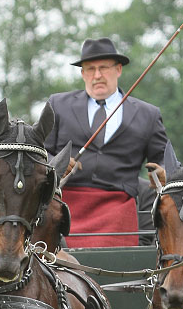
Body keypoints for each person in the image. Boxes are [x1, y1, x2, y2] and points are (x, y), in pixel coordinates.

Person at [44, 37, 169, 247]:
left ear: (118, 69)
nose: (97, 75)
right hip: (64, 206)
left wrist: (165, 173)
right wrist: (56, 163)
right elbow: (39, 152)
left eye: (104, 68)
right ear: (83, 74)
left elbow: (165, 161)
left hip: (119, 209)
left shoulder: (148, 114)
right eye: (90, 69)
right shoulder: (58, 105)